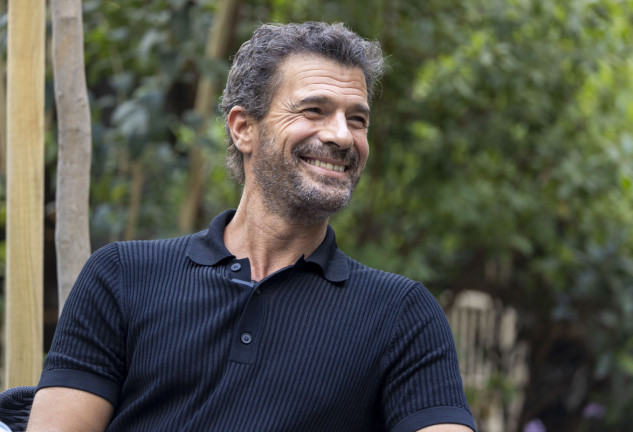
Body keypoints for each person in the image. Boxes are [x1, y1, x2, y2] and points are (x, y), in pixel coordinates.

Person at [26, 22, 477, 432]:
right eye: (315, 110)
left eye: (356, 119)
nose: (342, 136)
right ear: (244, 128)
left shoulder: (402, 314)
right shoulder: (122, 276)